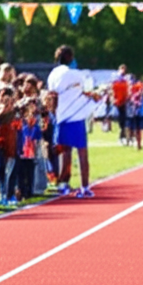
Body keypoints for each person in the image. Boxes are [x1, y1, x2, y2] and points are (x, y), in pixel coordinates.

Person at [49, 45, 98, 198]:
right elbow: (86, 89)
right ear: (70, 58)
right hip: (76, 117)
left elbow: (52, 94)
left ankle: (63, 184)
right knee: (82, 152)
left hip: (61, 117)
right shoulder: (76, 74)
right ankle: (85, 187)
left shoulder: (53, 75)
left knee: (65, 152)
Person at [111, 65, 131, 145]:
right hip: (119, 103)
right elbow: (113, 91)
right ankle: (122, 137)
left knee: (125, 121)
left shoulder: (125, 81)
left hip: (124, 103)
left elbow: (127, 92)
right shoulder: (116, 81)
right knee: (121, 121)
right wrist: (114, 99)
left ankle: (125, 137)